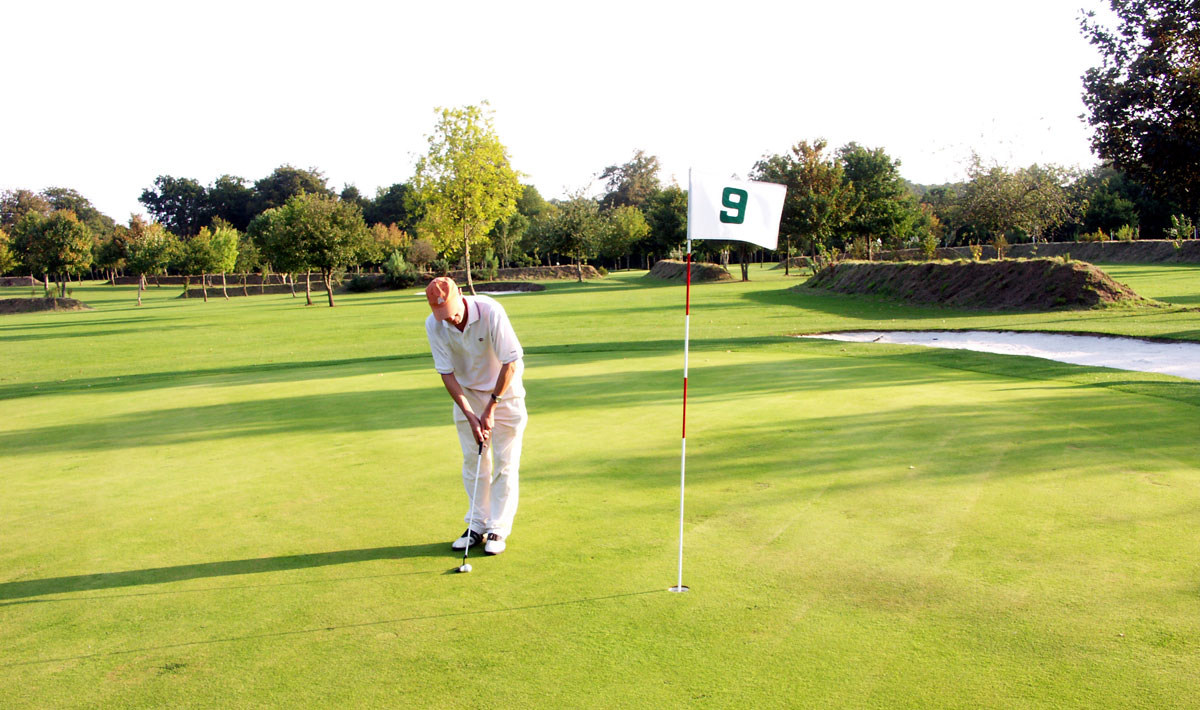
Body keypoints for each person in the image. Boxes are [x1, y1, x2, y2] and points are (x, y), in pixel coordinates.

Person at [424, 276, 528, 556]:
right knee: (474, 462)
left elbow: (511, 362)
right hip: (468, 395)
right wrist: (470, 414)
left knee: (505, 464)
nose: (450, 319)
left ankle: (498, 527)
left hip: (505, 393)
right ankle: (476, 525)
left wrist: (492, 406)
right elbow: (446, 372)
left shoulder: (490, 311)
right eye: (442, 314)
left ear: (461, 294)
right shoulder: (434, 324)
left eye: (452, 311)